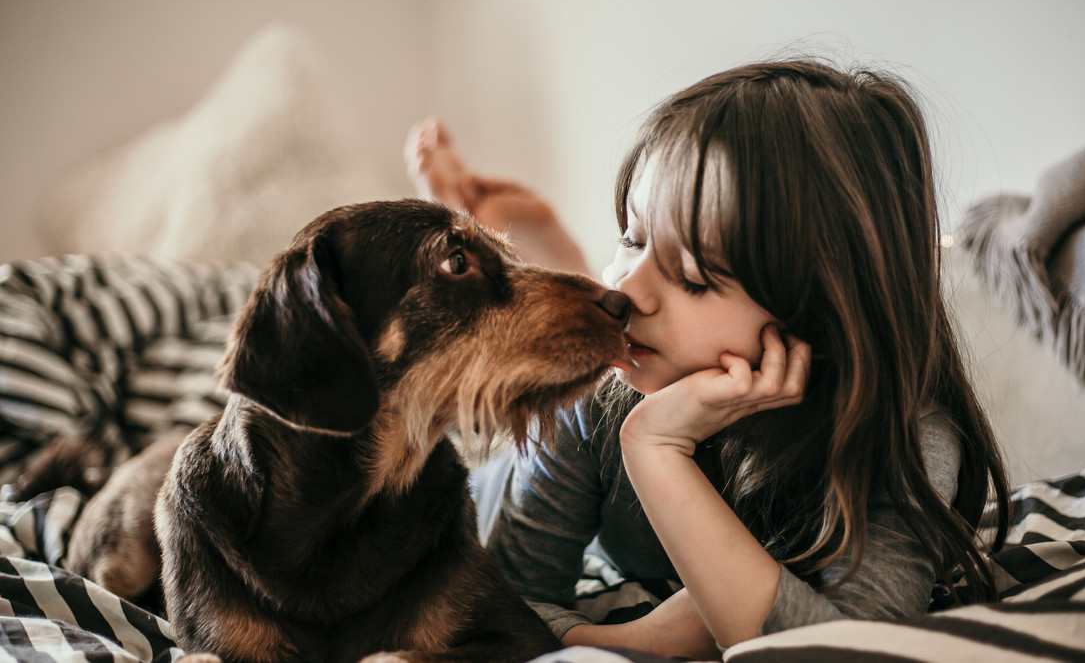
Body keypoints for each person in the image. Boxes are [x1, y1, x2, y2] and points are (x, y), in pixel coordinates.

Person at [406, 58, 1010, 659]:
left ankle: (550, 260)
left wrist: (656, 449)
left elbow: (839, 649)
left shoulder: (904, 440)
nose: (629, 293)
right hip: (490, 481)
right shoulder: (598, 392)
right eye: (632, 239)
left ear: (825, 316)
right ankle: (524, 255)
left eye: (692, 277)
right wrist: (621, 640)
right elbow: (501, 600)